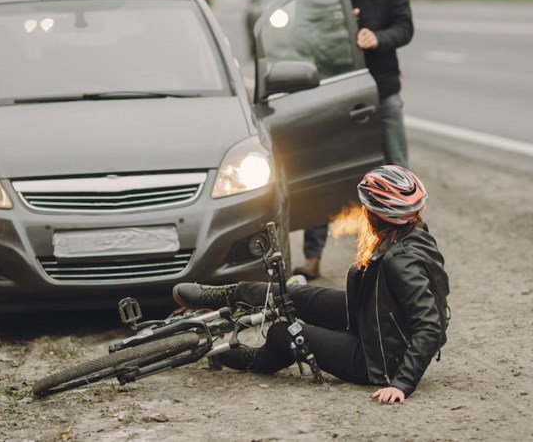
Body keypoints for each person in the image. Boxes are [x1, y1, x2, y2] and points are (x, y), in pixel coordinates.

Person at [173, 165, 449, 404]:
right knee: (295, 294)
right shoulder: (408, 235)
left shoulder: (401, 261)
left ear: (379, 214)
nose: (363, 212)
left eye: (367, 207)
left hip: (376, 359)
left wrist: (401, 384)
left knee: (286, 332)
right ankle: (222, 295)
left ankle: (254, 359)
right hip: (372, 319)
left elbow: (430, 325)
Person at [294, 0, 414, 280]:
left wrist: (377, 37)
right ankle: (312, 258)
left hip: (382, 89)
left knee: (396, 169)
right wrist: (339, 35)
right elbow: (303, 41)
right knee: (322, 172)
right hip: (332, 93)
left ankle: (406, 248)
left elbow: (405, 27)